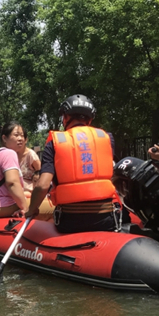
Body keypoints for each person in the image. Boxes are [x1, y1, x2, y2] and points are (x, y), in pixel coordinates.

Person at [27, 94, 119, 233]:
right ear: (90, 118)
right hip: (106, 219)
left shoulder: (55, 141)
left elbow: (43, 185)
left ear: (65, 117)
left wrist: (31, 210)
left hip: (70, 221)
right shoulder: (106, 138)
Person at [0, 121, 27, 218]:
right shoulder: (9, 153)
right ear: (4, 138)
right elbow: (12, 183)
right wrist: (25, 209)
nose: (20, 139)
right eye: (16, 135)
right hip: (4, 205)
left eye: (22, 135)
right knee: (50, 208)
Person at [17, 131, 40, 196]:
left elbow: (40, 174)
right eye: (16, 136)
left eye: (21, 136)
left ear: (26, 140)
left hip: (30, 192)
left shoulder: (31, 155)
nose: (19, 139)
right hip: (17, 191)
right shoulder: (13, 154)